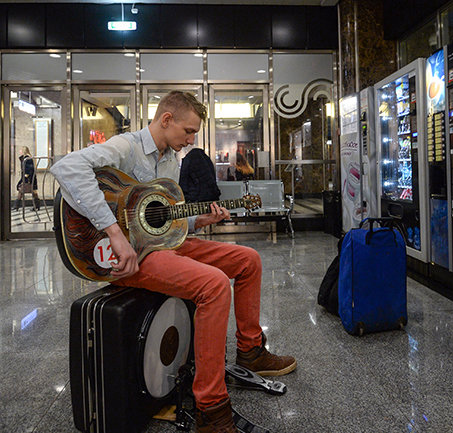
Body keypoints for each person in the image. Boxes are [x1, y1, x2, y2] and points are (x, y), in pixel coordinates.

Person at [50, 91, 296, 433]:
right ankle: (211, 408)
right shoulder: (126, 146)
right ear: (166, 119)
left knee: (247, 259)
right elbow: (67, 167)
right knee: (212, 285)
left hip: (161, 246)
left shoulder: (171, 160)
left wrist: (200, 221)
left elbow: (163, 218)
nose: (191, 140)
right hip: (126, 256)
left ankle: (251, 349)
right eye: (189, 131)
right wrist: (115, 234)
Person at [15, 146, 40, 210]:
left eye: (21, 150)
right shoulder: (25, 159)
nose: (20, 151)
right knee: (33, 192)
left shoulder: (27, 159)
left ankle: (16, 206)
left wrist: (24, 179)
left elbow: (28, 170)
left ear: (24, 151)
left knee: (23, 191)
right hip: (30, 179)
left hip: (28, 179)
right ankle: (37, 206)